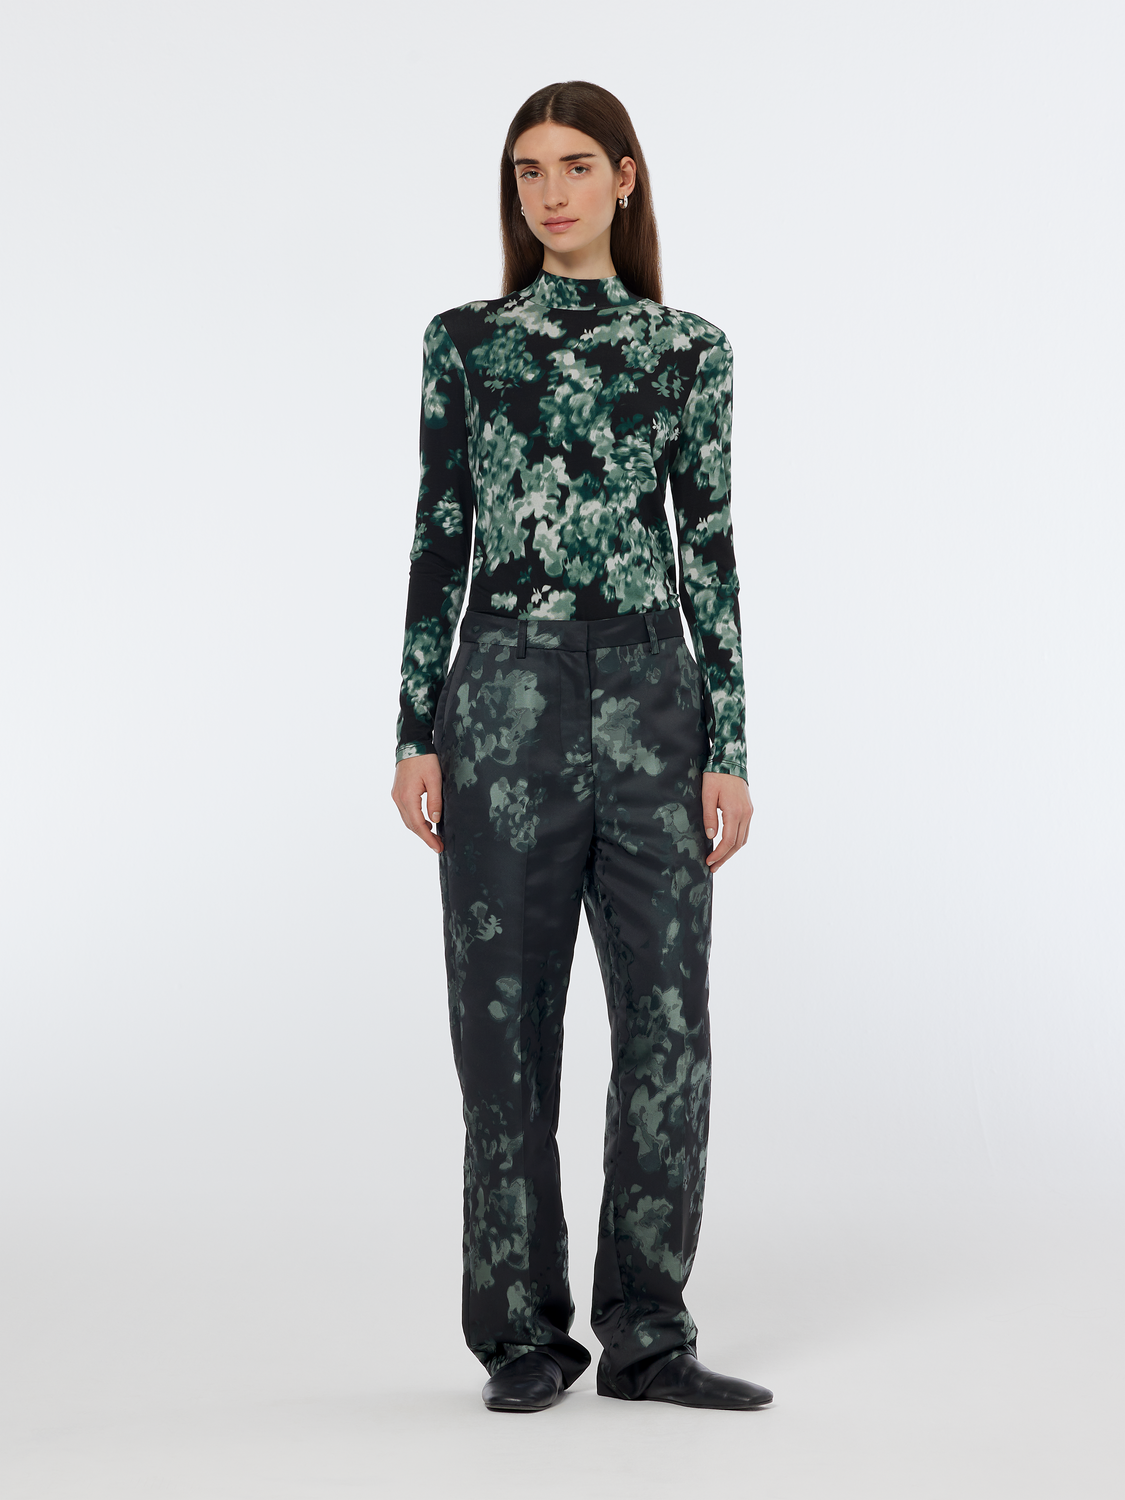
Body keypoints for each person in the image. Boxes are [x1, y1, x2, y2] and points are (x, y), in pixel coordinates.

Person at [391, 80, 772, 1414]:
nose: (549, 194)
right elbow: (441, 535)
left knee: (669, 1024)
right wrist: (414, 727)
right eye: (526, 171)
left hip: (651, 697)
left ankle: (649, 1332)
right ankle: (521, 1336)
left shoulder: (686, 350)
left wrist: (729, 743)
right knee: (503, 1027)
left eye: (572, 166)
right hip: (501, 695)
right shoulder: (466, 344)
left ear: (624, 177)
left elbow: (707, 549)